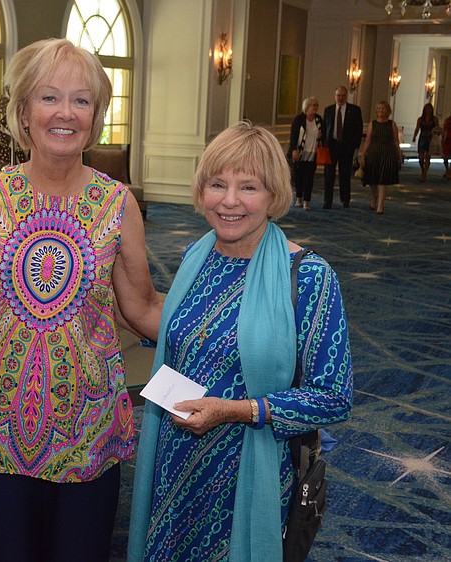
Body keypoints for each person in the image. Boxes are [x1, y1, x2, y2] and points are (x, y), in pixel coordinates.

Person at [0, 38, 163, 562]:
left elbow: (140, 308)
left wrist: (230, 317)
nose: (65, 113)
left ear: (96, 116)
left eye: (82, 100)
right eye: (49, 97)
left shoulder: (118, 203)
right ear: (23, 110)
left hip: (88, 428)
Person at [128, 121, 353, 562]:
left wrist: (237, 410)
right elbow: (188, 340)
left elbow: (334, 396)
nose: (229, 201)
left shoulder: (309, 277)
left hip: (248, 470)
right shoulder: (198, 255)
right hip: (176, 461)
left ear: (273, 195)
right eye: (218, 184)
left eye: (248, 187)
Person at [322, 86, 363, 209]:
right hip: (331, 146)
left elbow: (358, 129)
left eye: (343, 95)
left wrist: (355, 147)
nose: (340, 98)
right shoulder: (328, 110)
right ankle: (327, 201)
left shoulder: (354, 110)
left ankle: (345, 199)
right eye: (338, 95)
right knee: (328, 175)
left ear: (346, 96)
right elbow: (325, 128)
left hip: (346, 147)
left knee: (345, 174)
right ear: (335, 96)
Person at [359, 100, 402, 215]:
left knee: (383, 179)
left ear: (387, 110)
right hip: (374, 153)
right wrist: (363, 154)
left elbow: (396, 141)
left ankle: (380, 205)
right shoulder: (372, 124)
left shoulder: (392, 124)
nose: (381, 111)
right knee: (372, 179)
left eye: (383, 108)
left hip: (387, 154)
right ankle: (373, 199)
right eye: (379, 108)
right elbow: (368, 141)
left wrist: (399, 153)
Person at [288, 96, 324, 211]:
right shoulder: (299, 119)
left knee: (309, 178)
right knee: (299, 177)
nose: (315, 108)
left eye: (317, 106)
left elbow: (324, 134)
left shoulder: (318, 120)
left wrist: (321, 136)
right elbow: (293, 135)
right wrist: (293, 149)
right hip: (300, 152)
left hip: (312, 153)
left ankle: (306, 200)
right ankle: (298, 197)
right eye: (314, 105)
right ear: (307, 107)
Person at [412, 102, 440, 182]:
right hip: (422, 138)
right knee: (421, 158)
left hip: (430, 139)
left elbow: (437, 129)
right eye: (427, 109)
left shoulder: (434, 119)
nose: (428, 111)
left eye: (430, 109)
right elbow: (417, 128)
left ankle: (425, 174)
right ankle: (423, 170)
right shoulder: (420, 119)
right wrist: (414, 136)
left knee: (428, 157)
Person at [443, 113, 451, 180]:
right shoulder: (447, 120)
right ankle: (447, 169)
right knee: (445, 157)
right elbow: (444, 129)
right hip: (448, 140)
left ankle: (449, 172)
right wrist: (442, 138)